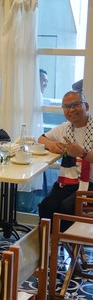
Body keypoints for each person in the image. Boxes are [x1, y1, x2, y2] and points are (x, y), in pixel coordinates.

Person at [38, 91, 93, 226]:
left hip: (91, 183)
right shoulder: (64, 128)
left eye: (75, 104)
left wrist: (82, 153)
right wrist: (51, 145)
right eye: (67, 106)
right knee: (46, 206)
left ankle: (65, 238)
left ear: (86, 106)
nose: (71, 110)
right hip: (68, 181)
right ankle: (47, 239)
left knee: (66, 207)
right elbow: (41, 139)